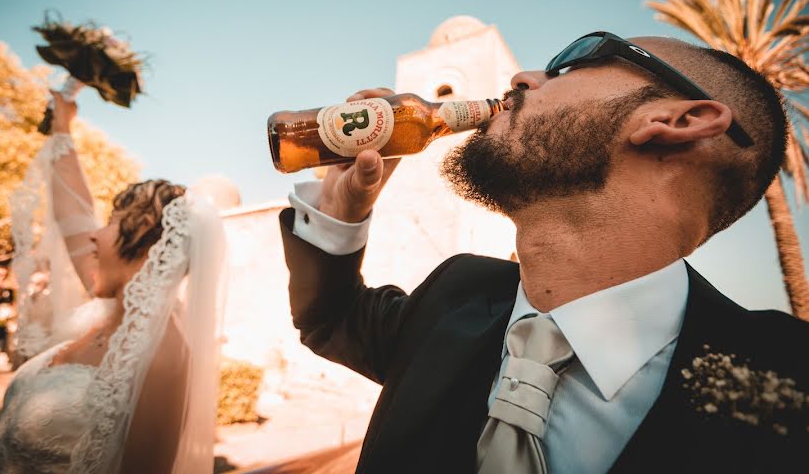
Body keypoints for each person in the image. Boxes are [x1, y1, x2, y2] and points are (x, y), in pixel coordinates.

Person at [279, 33, 809, 473]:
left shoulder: (789, 378)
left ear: (678, 121)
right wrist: (341, 210)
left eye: (574, 60)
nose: (525, 78)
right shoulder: (456, 293)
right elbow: (330, 319)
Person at [0, 92, 227, 474]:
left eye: (111, 221)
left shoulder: (163, 352)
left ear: (143, 231)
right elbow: (71, 211)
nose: (94, 236)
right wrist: (62, 125)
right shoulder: (102, 311)